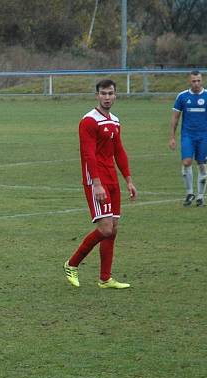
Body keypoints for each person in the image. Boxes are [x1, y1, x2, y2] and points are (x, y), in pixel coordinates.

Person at [64, 79, 138, 290]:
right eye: (103, 93)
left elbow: (119, 152)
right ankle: (71, 264)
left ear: (115, 95)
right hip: (96, 180)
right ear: (97, 95)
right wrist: (96, 183)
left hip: (112, 179)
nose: (107, 97)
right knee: (105, 229)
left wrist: (129, 181)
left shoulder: (114, 121)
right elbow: (88, 153)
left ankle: (105, 278)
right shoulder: (88, 121)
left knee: (113, 229)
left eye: (110, 93)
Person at [169, 70, 207, 207]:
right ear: (189, 81)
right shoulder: (182, 96)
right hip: (188, 135)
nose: (196, 83)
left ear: (202, 80)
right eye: (194, 81)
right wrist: (172, 137)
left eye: (198, 81)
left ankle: (200, 197)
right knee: (186, 162)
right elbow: (175, 117)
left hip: (204, 136)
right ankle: (189, 193)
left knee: (202, 165)